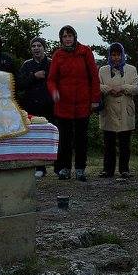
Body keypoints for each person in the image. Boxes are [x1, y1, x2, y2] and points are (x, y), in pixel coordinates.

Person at [47, 25, 101, 181]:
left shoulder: (85, 52)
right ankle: (64, 168)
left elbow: (94, 78)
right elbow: (51, 79)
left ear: (75, 37)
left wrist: (95, 100)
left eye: (70, 35)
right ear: (61, 39)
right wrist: (54, 92)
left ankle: (80, 169)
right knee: (64, 138)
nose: (67, 39)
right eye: (64, 36)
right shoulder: (58, 55)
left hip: (83, 103)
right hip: (63, 104)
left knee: (81, 138)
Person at [98, 42, 138, 180]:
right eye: (113, 55)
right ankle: (107, 170)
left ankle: (124, 169)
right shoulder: (102, 70)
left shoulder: (131, 69)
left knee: (125, 143)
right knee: (108, 142)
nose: (116, 58)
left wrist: (122, 88)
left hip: (125, 110)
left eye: (118, 54)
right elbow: (96, 85)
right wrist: (108, 89)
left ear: (123, 55)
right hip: (109, 109)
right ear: (109, 55)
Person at [18, 37, 54, 177]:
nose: (36, 48)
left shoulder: (51, 63)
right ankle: (39, 168)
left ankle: (58, 166)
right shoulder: (26, 65)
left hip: (49, 105)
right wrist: (34, 76)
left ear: (44, 47)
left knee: (51, 136)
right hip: (32, 105)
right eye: (33, 46)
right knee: (35, 137)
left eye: (39, 45)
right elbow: (20, 82)